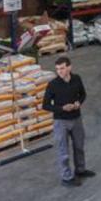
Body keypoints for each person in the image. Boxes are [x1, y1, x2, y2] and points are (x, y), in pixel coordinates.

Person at [42, 56, 95, 187]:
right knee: (63, 151)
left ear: (69, 67)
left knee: (79, 146)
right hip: (61, 121)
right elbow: (45, 105)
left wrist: (79, 102)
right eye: (57, 69)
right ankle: (66, 177)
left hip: (76, 118)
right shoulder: (53, 85)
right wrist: (61, 108)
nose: (59, 71)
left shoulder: (77, 79)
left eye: (62, 68)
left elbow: (83, 94)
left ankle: (80, 170)